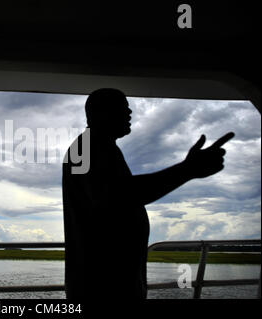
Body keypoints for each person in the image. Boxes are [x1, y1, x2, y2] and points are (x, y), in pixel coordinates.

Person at [62, 88, 234, 300]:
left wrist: (188, 170)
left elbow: (116, 194)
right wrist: (187, 170)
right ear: (99, 113)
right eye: (122, 107)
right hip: (103, 286)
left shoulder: (97, 147)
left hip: (105, 282)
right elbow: (116, 196)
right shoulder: (86, 148)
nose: (130, 112)